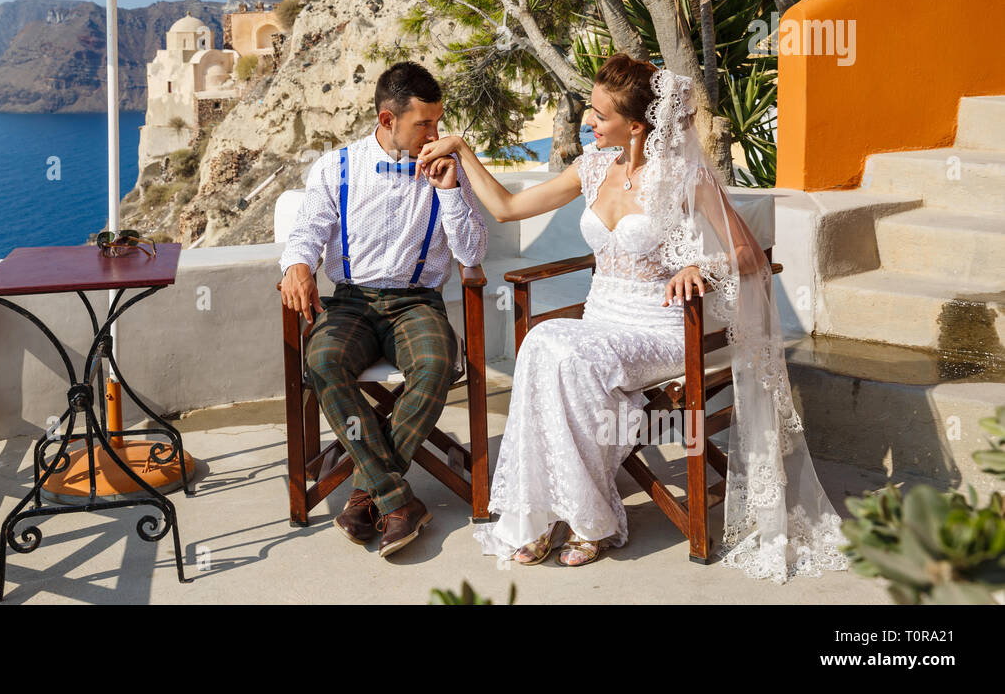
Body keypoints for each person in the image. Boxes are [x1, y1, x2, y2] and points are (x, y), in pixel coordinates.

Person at [415, 54, 849, 581]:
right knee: (543, 343)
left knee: (568, 358)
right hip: (602, 319)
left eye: (599, 115)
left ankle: (590, 522)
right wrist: (461, 151)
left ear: (637, 125)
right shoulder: (593, 167)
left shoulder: (685, 177)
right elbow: (506, 208)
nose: (589, 122)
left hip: (661, 330)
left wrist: (699, 267)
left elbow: (749, 253)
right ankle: (543, 512)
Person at [279, 61, 488, 558]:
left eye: (438, 122)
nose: (435, 134)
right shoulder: (337, 166)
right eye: (425, 124)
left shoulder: (451, 171)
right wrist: (298, 265)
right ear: (387, 119)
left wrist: (452, 192)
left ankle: (365, 488)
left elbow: (473, 254)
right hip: (351, 301)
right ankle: (397, 498)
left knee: (437, 363)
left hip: (417, 302)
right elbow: (307, 230)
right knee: (324, 361)